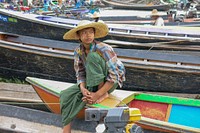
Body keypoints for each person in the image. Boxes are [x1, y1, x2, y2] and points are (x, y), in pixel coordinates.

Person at [60, 20, 126, 133]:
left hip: (109, 83)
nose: (88, 35)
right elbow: (80, 73)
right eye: (84, 33)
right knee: (65, 95)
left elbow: (114, 76)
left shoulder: (104, 48)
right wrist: (83, 88)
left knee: (92, 57)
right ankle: (66, 129)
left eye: (90, 32)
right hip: (91, 82)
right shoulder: (78, 51)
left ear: (94, 34)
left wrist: (97, 95)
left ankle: (102, 93)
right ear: (79, 36)